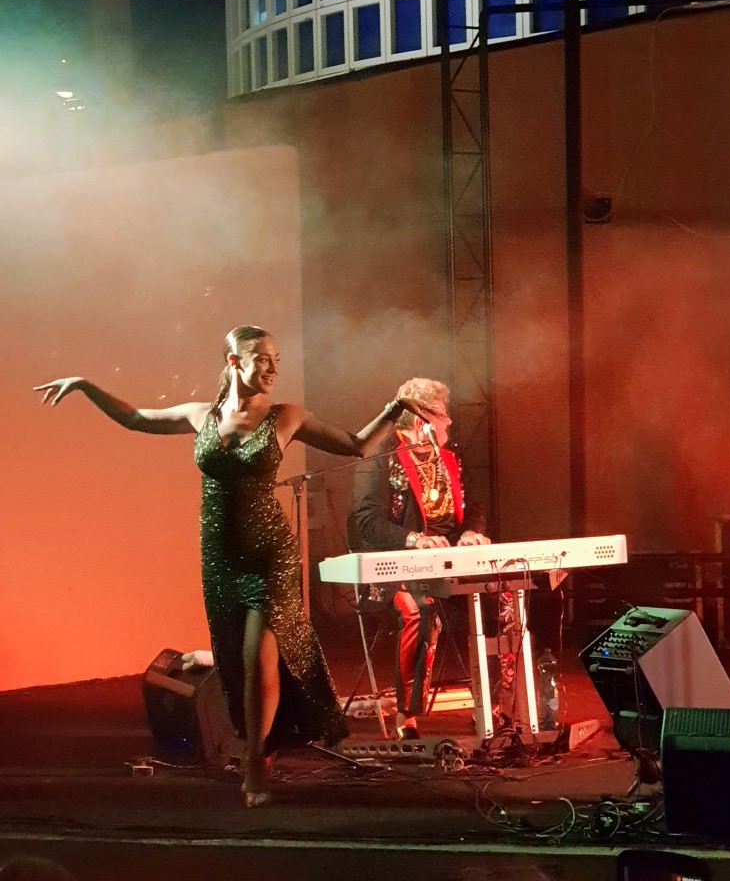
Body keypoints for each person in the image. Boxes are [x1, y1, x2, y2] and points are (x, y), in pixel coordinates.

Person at [34, 325, 435, 808]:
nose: (272, 368)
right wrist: (84, 385)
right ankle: (261, 748)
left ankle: (255, 762)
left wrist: (393, 409)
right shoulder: (200, 414)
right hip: (220, 557)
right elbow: (136, 418)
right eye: (262, 358)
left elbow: (356, 444)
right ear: (234, 362)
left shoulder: (287, 416)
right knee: (233, 661)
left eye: (276, 359)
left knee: (256, 657)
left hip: (269, 554)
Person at [348, 377, 490, 740]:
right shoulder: (379, 458)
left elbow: (473, 507)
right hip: (392, 567)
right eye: (442, 414)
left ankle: (495, 706)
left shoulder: (450, 459)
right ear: (419, 419)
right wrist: (413, 539)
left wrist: (470, 532)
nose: (449, 421)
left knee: (505, 593)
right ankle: (407, 715)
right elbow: (367, 522)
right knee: (419, 609)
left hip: (445, 562)